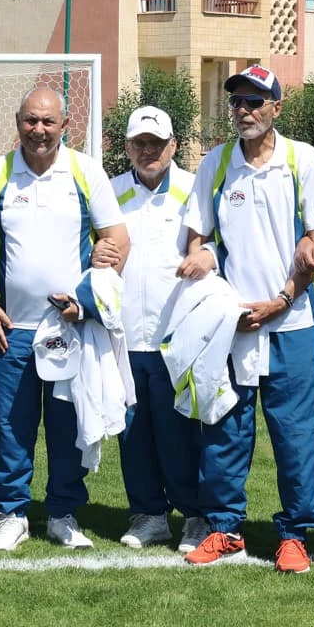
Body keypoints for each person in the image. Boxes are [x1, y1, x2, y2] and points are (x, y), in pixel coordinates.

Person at [175, 64, 314, 573]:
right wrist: (211, 278)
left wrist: (282, 299)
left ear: (276, 108)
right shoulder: (215, 164)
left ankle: (295, 535)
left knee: (296, 434)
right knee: (225, 429)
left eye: (255, 101)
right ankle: (225, 529)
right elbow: (199, 239)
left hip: (292, 321)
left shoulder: (301, 159)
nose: (244, 110)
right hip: (232, 326)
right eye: (237, 101)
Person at [0, 87, 129, 551]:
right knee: (9, 427)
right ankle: (12, 514)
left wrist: (89, 297)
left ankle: (63, 513)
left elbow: (118, 239)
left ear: (66, 125)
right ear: (17, 122)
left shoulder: (85, 172)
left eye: (48, 122)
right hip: (14, 329)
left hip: (72, 327)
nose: (38, 130)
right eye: (30, 121)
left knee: (68, 426)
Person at [107, 106, 201, 551]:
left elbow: (213, 246)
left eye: (157, 143)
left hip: (178, 337)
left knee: (179, 430)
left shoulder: (193, 189)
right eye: (139, 143)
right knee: (133, 431)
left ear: (173, 146)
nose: (148, 151)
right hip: (124, 337)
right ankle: (148, 514)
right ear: (127, 147)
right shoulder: (110, 192)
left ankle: (195, 514)